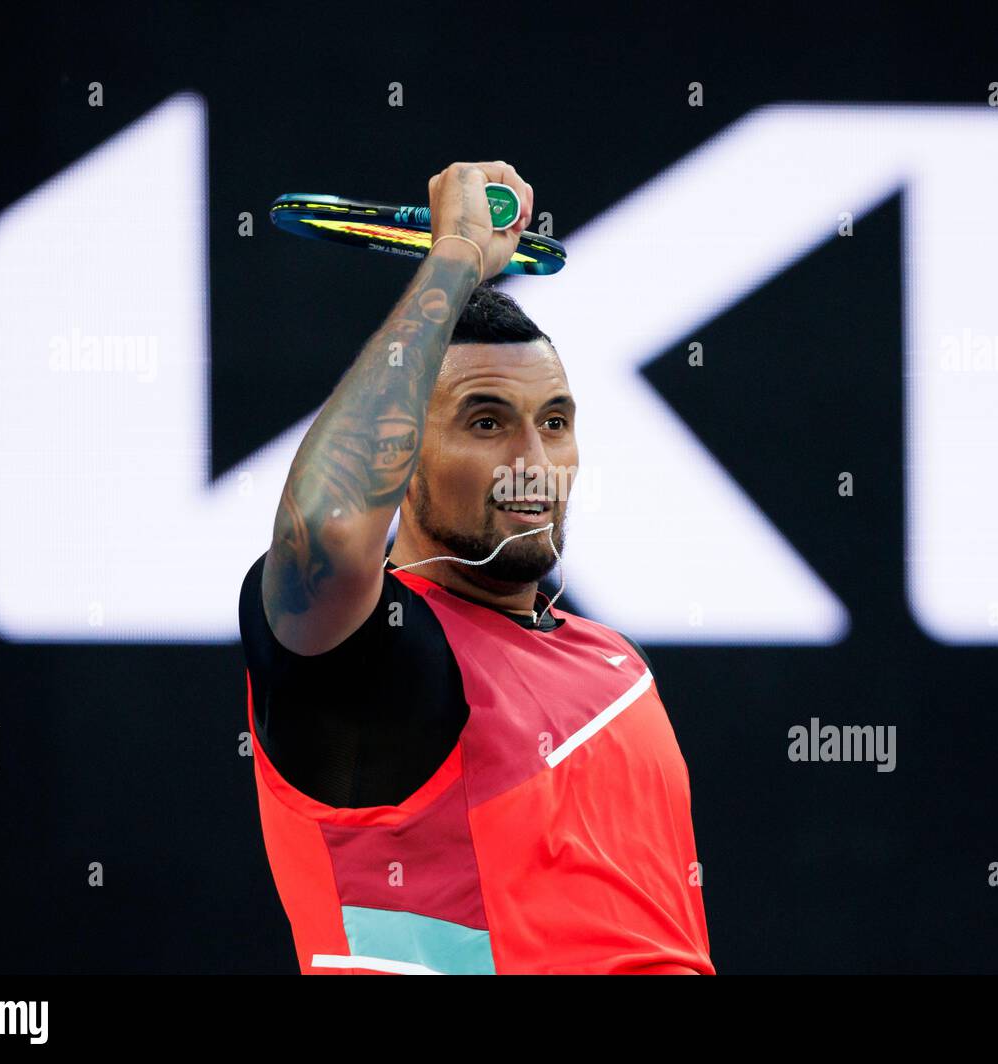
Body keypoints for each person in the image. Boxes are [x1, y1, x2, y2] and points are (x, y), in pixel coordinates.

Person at [239, 161, 714, 974]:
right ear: (400, 451)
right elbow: (328, 528)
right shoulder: (382, 663)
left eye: (555, 422)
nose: (534, 461)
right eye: (486, 422)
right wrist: (454, 256)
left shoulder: (613, 663)